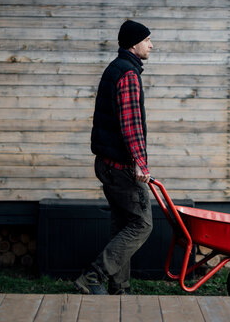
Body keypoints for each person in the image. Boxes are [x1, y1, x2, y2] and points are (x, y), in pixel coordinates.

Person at [74, 20, 154, 295]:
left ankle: (120, 288)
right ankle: (92, 276)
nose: (151, 45)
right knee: (142, 224)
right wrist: (141, 164)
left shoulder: (114, 69)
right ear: (134, 43)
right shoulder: (128, 74)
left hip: (106, 164)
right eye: (147, 40)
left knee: (124, 224)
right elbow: (130, 126)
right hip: (120, 167)